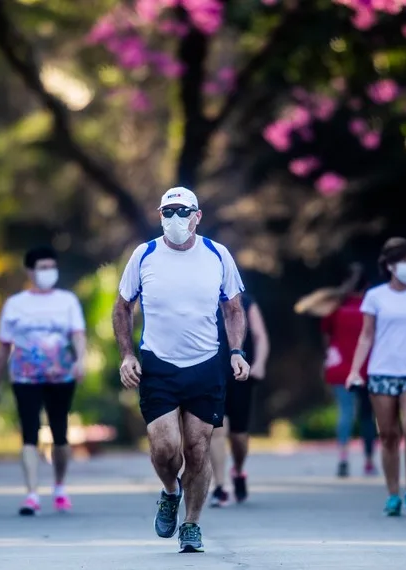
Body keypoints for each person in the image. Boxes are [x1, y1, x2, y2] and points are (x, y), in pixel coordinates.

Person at [113, 187, 248, 553]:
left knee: (198, 448)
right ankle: (170, 491)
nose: (174, 219)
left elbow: (233, 308)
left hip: (205, 364)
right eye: (167, 212)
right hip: (158, 364)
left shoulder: (217, 255)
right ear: (159, 215)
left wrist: (236, 351)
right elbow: (123, 307)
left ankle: (191, 524)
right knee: (165, 448)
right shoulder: (145, 255)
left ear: (197, 216)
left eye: (181, 211)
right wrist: (127, 355)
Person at [0, 246, 87, 516]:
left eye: (51, 267)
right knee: (29, 433)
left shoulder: (67, 301)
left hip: (61, 376)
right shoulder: (15, 305)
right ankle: (31, 494)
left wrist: (81, 360)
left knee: (60, 432)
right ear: (29, 271)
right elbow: (4, 349)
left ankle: (60, 487)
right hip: (25, 377)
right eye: (42, 267)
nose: (47, 272)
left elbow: (78, 335)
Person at [345, 237, 406, 517]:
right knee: (388, 434)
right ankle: (392, 493)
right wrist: (355, 369)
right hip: (382, 371)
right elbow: (366, 336)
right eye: (404, 262)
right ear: (389, 265)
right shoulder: (376, 296)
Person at [209, 291, 269, 507]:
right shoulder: (200, 297)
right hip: (212, 375)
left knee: (239, 437)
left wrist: (260, 363)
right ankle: (219, 486)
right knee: (217, 430)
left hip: (241, 375)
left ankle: (239, 470)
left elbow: (260, 335)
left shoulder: (245, 301)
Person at [320, 264, 376, 478]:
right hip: (368, 366)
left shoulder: (335, 308)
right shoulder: (369, 307)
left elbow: (326, 338)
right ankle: (369, 460)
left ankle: (343, 456)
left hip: (340, 365)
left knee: (345, 411)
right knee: (367, 415)